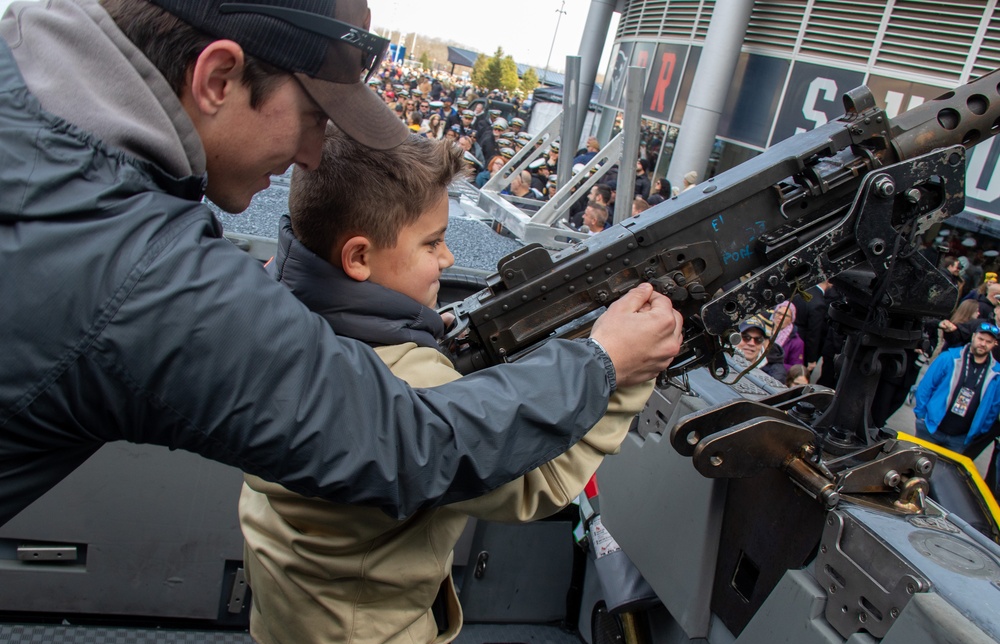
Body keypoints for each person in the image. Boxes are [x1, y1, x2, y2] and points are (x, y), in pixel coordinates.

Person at [0, 0, 683, 526]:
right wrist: (602, 363)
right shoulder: (144, 279)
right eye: (315, 118)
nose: (311, 156)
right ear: (218, 77)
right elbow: (407, 443)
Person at [241, 127, 656, 644]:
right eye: (432, 242)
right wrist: (623, 370)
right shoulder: (411, 381)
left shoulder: (265, 300)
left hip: (297, 609)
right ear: (359, 257)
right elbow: (535, 482)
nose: (449, 258)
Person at [914, 323, 1000, 453]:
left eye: (988, 342)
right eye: (980, 339)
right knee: (916, 469)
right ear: (973, 337)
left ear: (995, 344)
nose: (983, 344)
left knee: (945, 473)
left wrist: (980, 430)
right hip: (931, 428)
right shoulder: (949, 358)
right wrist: (921, 414)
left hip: (960, 439)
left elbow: (994, 407)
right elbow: (926, 386)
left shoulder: (996, 373)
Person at [735, 316, 787, 383]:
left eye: (758, 340)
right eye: (746, 337)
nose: (752, 343)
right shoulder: (721, 359)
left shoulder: (774, 373)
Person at [770, 300, 805, 370]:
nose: (780, 318)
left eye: (785, 316)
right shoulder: (763, 329)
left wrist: (772, 363)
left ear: (791, 320)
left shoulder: (797, 342)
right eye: (779, 313)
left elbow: (795, 368)